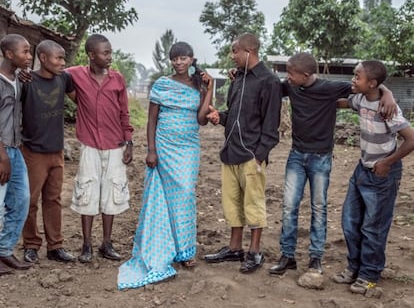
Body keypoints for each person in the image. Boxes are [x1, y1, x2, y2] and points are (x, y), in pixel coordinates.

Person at [268, 53, 396, 284]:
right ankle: (287, 255)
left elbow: (367, 85)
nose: (287, 77)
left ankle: (316, 258)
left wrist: (388, 93)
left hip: (321, 158)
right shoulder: (291, 86)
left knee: (319, 208)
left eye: (291, 73)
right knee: (288, 207)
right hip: (296, 155)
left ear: (305, 75)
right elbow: (268, 85)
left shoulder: (330, 88)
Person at [117, 42, 213, 289]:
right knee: (164, 198)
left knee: (185, 195)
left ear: (192, 59)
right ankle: (166, 249)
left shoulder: (198, 85)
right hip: (164, 146)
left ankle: (185, 250)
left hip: (188, 148)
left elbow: (202, 120)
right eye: (175, 59)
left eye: (183, 58)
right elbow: (152, 120)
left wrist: (210, 89)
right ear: (171, 61)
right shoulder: (161, 84)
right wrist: (151, 150)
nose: (179, 63)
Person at [333, 60, 414, 296]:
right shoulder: (359, 99)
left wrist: (386, 163)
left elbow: (411, 139)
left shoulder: (388, 108)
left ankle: (369, 275)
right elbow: (341, 102)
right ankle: (354, 267)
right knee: (350, 221)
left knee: (373, 227)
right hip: (362, 169)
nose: (352, 80)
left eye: (357, 76)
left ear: (372, 83)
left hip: (382, 173)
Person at [204, 33, 282, 273]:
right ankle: (235, 248)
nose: (232, 55)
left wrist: (259, 155)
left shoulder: (269, 81)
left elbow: (271, 125)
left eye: (235, 51)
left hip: (251, 156)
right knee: (232, 204)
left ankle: (255, 251)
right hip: (230, 153)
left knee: (253, 204)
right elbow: (234, 115)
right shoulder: (238, 79)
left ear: (248, 51)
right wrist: (220, 117)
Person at [65, 34, 133, 263]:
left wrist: (129, 142)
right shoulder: (74, 74)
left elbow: (124, 112)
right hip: (89, 145)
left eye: (110, 52)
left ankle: (106, 243)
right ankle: (86, 245)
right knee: (87, 193)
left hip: (115, 145)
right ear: (91, 55)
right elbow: (53, 76)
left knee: (112, 195)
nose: (109, 57)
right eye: (105, 53)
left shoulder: (117, 79)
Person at [20, 40, 76, 264]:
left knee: (53, 200)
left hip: (57, 150)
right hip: (33, 151)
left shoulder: (64, 78)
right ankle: (31, 244)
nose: (63, 63)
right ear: (43, 58)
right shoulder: (26, 81)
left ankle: (55, 246)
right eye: (58, 58)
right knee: (30, 201)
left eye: (64, 58)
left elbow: (80, 99)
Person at [0, 34, 33, 275]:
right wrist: (1, 155)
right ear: (9, 54)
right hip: (1, 151)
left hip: (15, 148)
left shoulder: (19, 81)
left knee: (21, 200)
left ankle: (4, 251)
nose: (29, 56)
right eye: (25, 52)